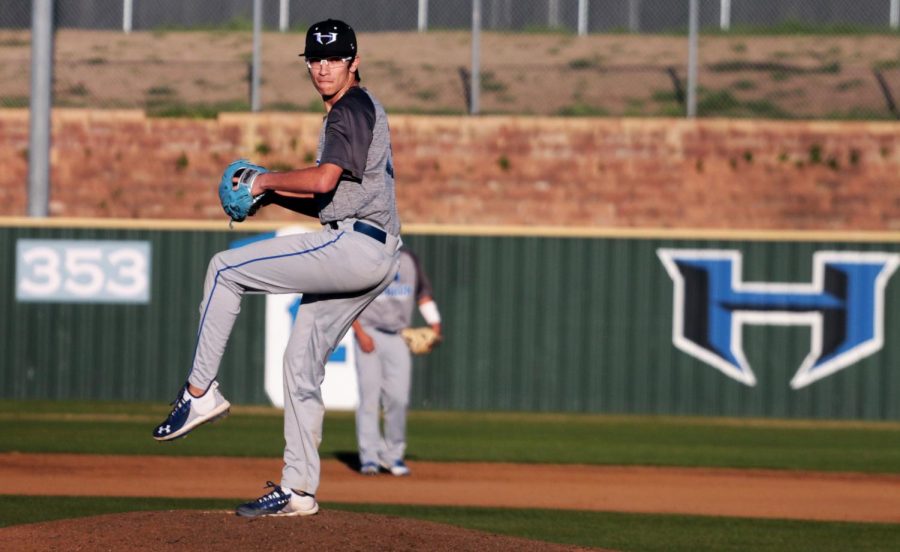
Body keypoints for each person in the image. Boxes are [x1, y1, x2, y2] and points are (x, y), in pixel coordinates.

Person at [151, 19, 402, 518]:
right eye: (316, 58)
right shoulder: (359, 108)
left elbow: (325, 178)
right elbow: (333, 199)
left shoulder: (348, 110)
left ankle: (199, 392)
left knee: (225, 270)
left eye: (334, 58)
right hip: (374, 248)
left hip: (354, 247)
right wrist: (274, 198)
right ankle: (299, 490)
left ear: (354, 61)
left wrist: (264, 180)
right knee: (300, 364)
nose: (324, 67)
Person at [351, 246, 442, 477]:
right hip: (369, 332)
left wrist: (435, 325)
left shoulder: (409, 259)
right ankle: (369, 457)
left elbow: (423, 294)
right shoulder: (367, 256)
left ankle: (393, 456)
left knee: (399, 398)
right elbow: (351, 299)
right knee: (369, 398)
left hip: (399, 334)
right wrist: (360, 333)